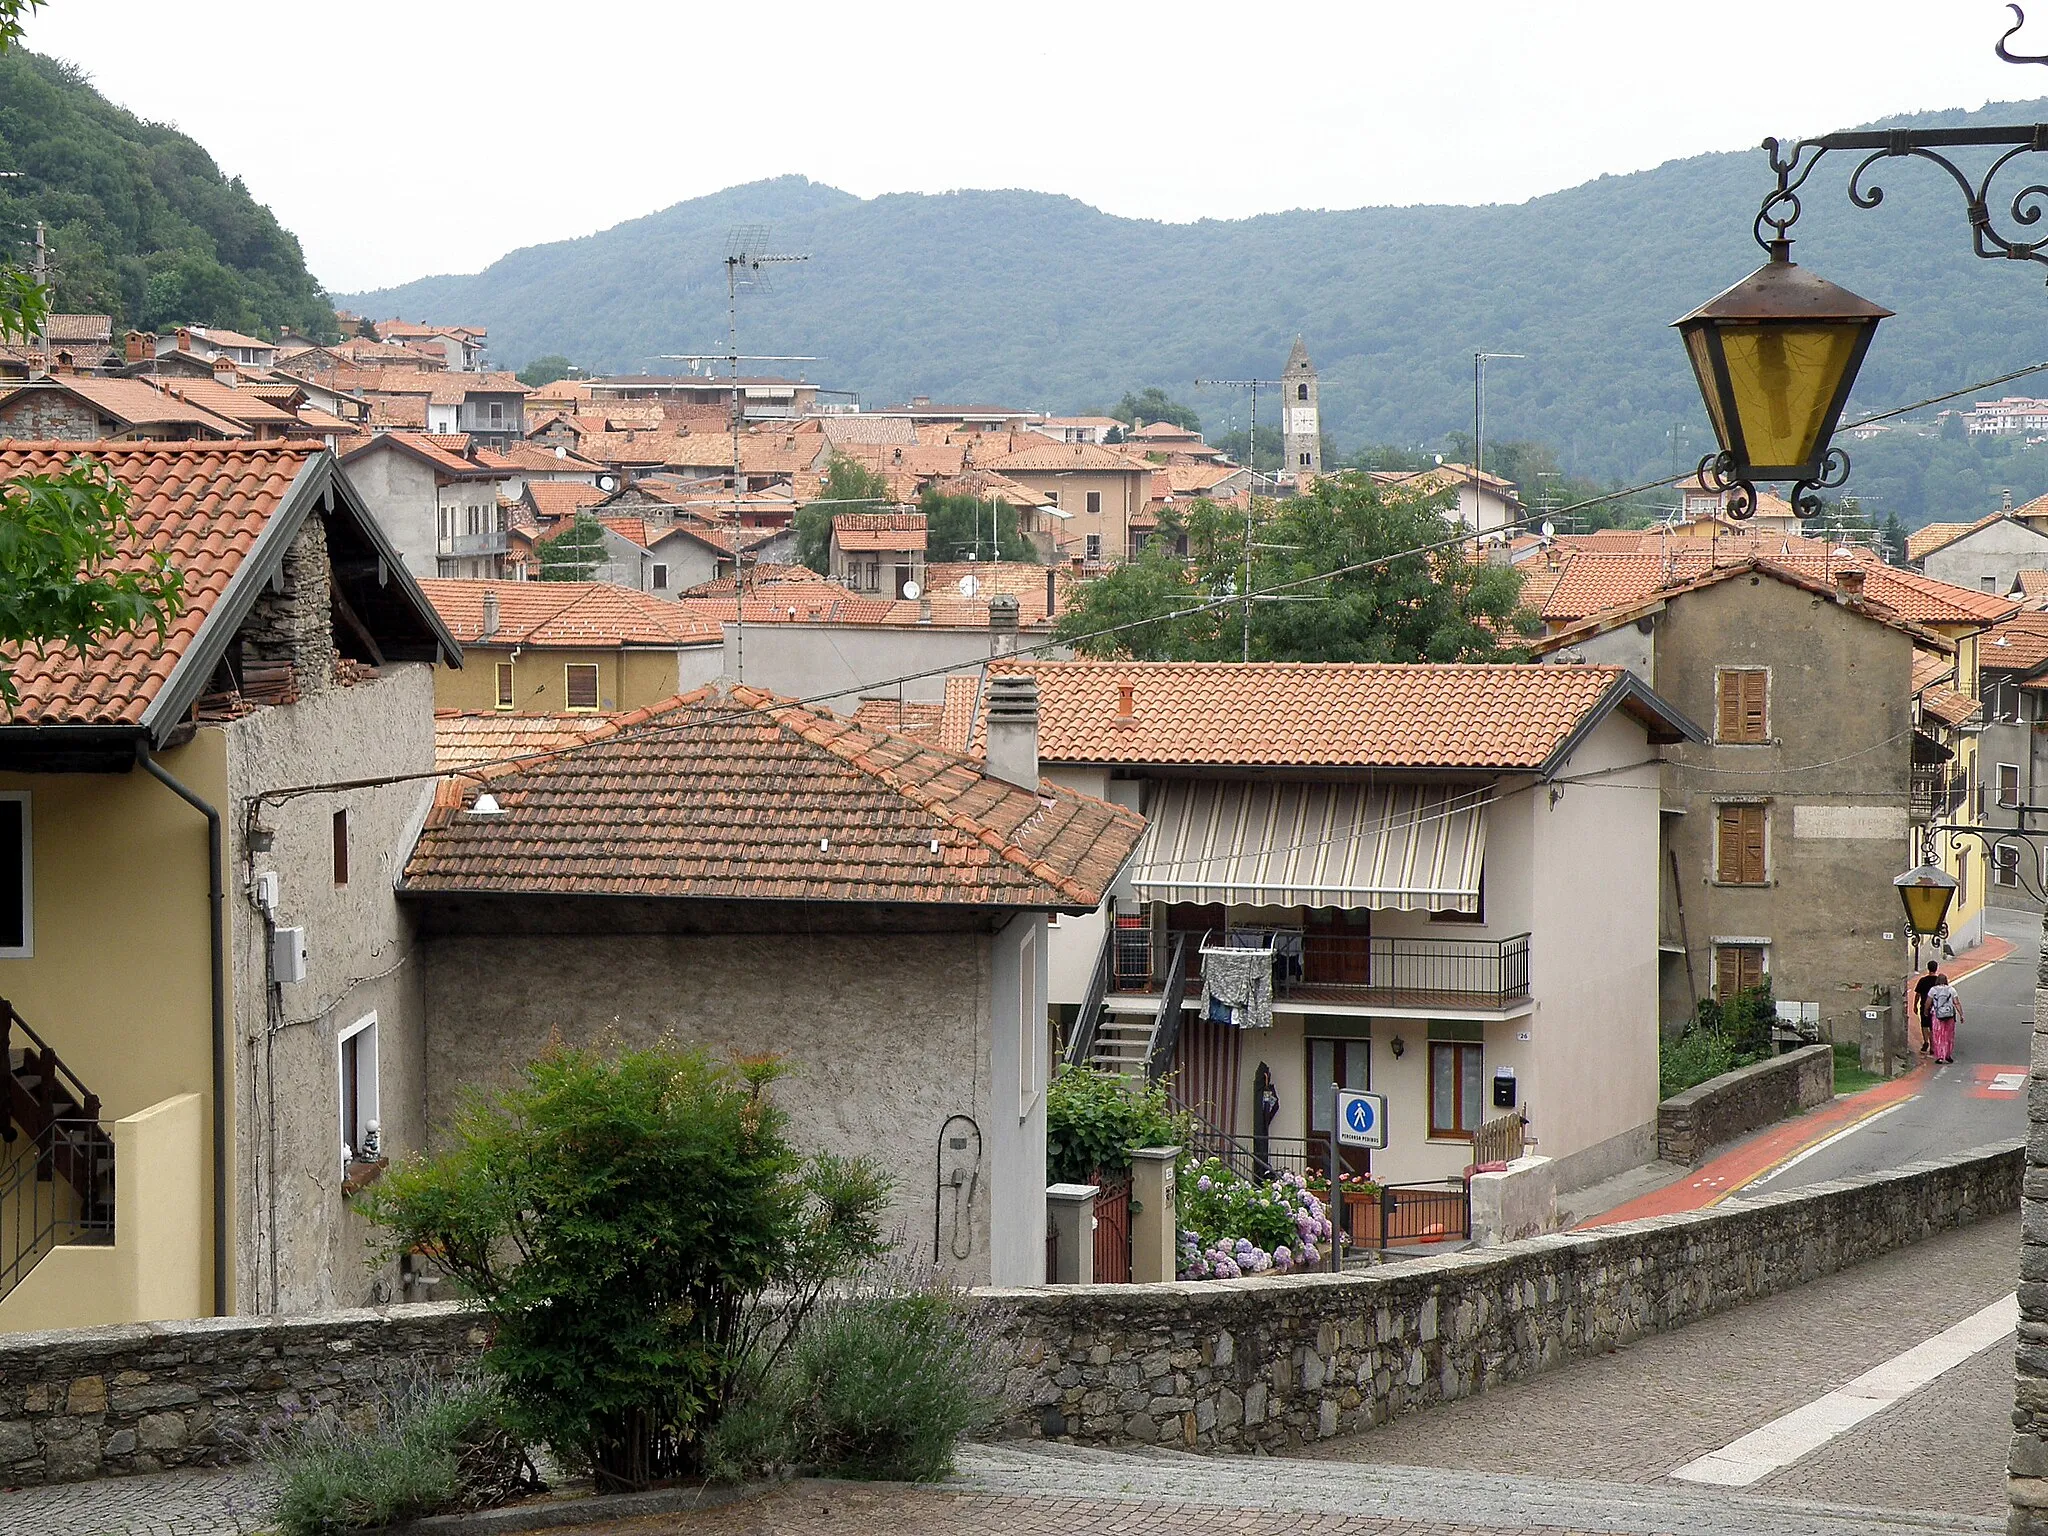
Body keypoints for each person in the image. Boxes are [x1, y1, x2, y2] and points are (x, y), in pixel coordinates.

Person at [1926, 975, 1961, 1065]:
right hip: (1950, 1015)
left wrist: (1925, 1011)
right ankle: (1948, 1055)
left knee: (1938, 1035)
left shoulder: (1933, 990)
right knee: (1949, 1035)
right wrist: (1961, 1014)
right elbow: (1956, 1003)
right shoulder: (1951, 990)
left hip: (1937, 1015)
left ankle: (1940, 1056)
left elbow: (1928, 1002)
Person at [1914, 960, 1944, 1055]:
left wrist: (1915, 1005)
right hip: (1935, 1007)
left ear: (1928, 968)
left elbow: (1917, 994)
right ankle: (1932, 1045)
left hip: (1924, 1005)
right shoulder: (1938, 981)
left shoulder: (1922, 980)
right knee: (1933, 1026)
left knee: (1924, 1025)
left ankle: (1925, 1041)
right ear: (1936, 968)